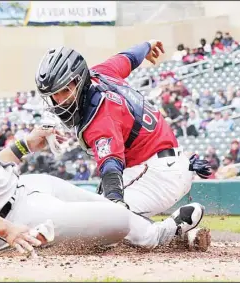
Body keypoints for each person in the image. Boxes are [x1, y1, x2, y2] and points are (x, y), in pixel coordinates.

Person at [0, 43, 210, 255]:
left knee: (107, 207)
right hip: (11, 215)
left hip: (23, 190)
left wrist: (28, 144)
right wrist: (7, 229)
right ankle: (165, 236)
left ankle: (147, 233)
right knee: (116, 216)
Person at [35, 40, 211, 224]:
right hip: (160, 166)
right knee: (96, 215)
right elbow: (129, 57)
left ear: (79, 81)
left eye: (65, 90)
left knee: (102, 224)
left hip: (158, 175)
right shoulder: (102, 73)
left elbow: (111, 165)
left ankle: (174, 229)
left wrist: (114, 200)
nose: (60, 100)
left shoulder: (100, 117)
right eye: (55, 94)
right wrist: (148, 45)